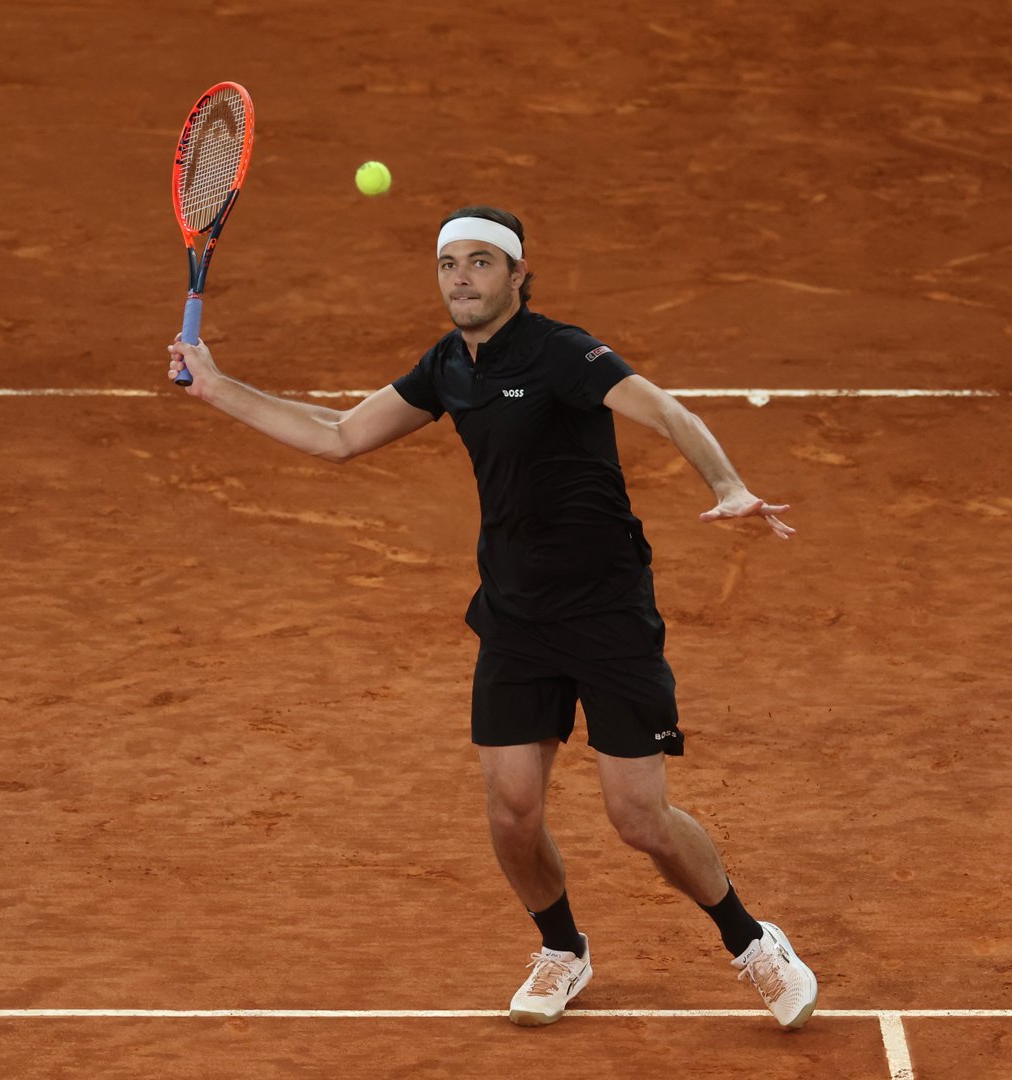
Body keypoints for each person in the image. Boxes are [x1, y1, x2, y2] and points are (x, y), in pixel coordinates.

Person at [166, 205, 818, 1030]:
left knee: (640, 821)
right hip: (515, 615)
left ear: (516, 276)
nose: (461, 278)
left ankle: (753, 942)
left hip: (608, 612)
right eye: (449, 265)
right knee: (511, 812)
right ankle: (563, 952)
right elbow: (337, 435)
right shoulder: (449, 367)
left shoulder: (561, 351)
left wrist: (726, 485)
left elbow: (664, 411)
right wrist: (218, 387)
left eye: (480, 263)